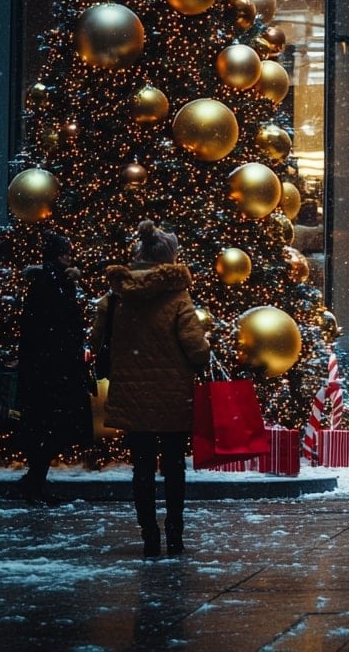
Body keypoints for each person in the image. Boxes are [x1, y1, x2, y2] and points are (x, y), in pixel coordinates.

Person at [93, 220, 210, 556]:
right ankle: (175, 534)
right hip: (173, 397)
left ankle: (149, 537)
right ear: (169, 258)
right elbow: (196, 349)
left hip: (132, 397)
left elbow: (96, 338)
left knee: (141, 467)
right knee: (173, 467)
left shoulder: (116, 296)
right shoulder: (176, 296)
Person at [16, 231, 94, 505]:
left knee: (47, 426)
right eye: (65, 251)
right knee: (50, 426)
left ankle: (35, 481)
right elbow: (57, 323)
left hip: (49, 367)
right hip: (53, 368)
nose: (69, 256)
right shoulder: (52, 281)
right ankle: (34, 483)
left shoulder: (53, 279)